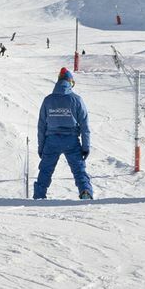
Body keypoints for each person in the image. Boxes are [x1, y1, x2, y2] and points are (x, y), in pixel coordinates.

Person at [33, 69, 93, 200]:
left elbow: (41, 126)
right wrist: (86, 146)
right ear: (70, 82)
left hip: (51, 141)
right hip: (71, 140)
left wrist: (41, 147)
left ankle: (39, 196)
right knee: (79, 170)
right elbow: (84, 125)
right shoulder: (76, 100)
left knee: (45, 170)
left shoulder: (48, 100)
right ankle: (85, 192)